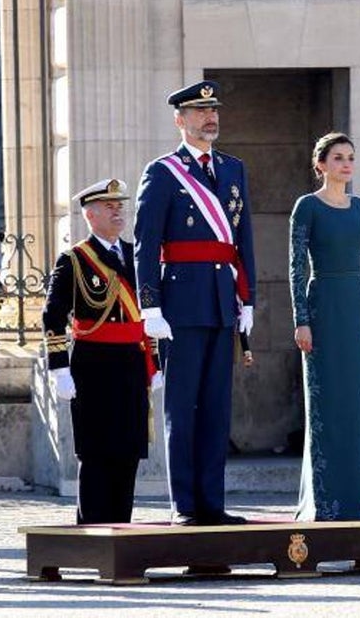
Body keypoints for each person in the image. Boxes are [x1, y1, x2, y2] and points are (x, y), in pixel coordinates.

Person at [134, 80, 256, 526]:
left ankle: (212, 502)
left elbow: (243, 240)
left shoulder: (232, 169)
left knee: (216, 408)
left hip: (223, 300)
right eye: (200, 112)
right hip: (180, 303)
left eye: (214, 111)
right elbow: (146, 245)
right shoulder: (164, 172)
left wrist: (249, 298)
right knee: (181, 408)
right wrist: (150, 306)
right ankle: (184, 504)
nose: (211, 118)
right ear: (179, 120)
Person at [43, 178, 158, 524]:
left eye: (119, 205)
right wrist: (59, 367)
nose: (118, 210)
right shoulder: (75, 260)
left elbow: (146, 315)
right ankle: (91, 534)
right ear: (90, 215)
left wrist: (155, 362)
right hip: (93, 365)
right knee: (96, 453)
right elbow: (52, 313)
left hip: (131, 364)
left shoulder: (135, 256)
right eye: (109, 206)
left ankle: (120, 532)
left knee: (127, 452)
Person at [289, 132, 360, 521]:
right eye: (338, 158)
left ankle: (352, 503)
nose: (346, 164)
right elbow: (295, 268)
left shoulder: (359, 207)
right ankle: (322, 504)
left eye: (351, 158)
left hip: (354, 311)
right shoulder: (306, 207)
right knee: (325, 407)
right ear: (321, 164)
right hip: (323, 307)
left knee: (352, 411)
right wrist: (301, 321)